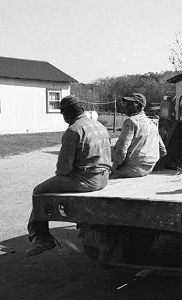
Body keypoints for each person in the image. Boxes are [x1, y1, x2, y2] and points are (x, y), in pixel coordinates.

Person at [26, 95, 112, 256]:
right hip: (104, 178)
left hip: (85, 180)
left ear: (66, 114)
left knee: (38, 191)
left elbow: (63, 169)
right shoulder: (98, 125)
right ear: (82, 110)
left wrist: (64, 175)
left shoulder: (73, 131)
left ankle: (41, 237)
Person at [111, 93, 166, 178]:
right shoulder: (152, 123)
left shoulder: (131, 121)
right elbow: (163, 151)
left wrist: (113, 168)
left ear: (138, 106)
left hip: (132, 168)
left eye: (129, 104)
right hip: (149, 168)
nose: (125, 107)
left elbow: (121, 150)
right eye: (125, 104)